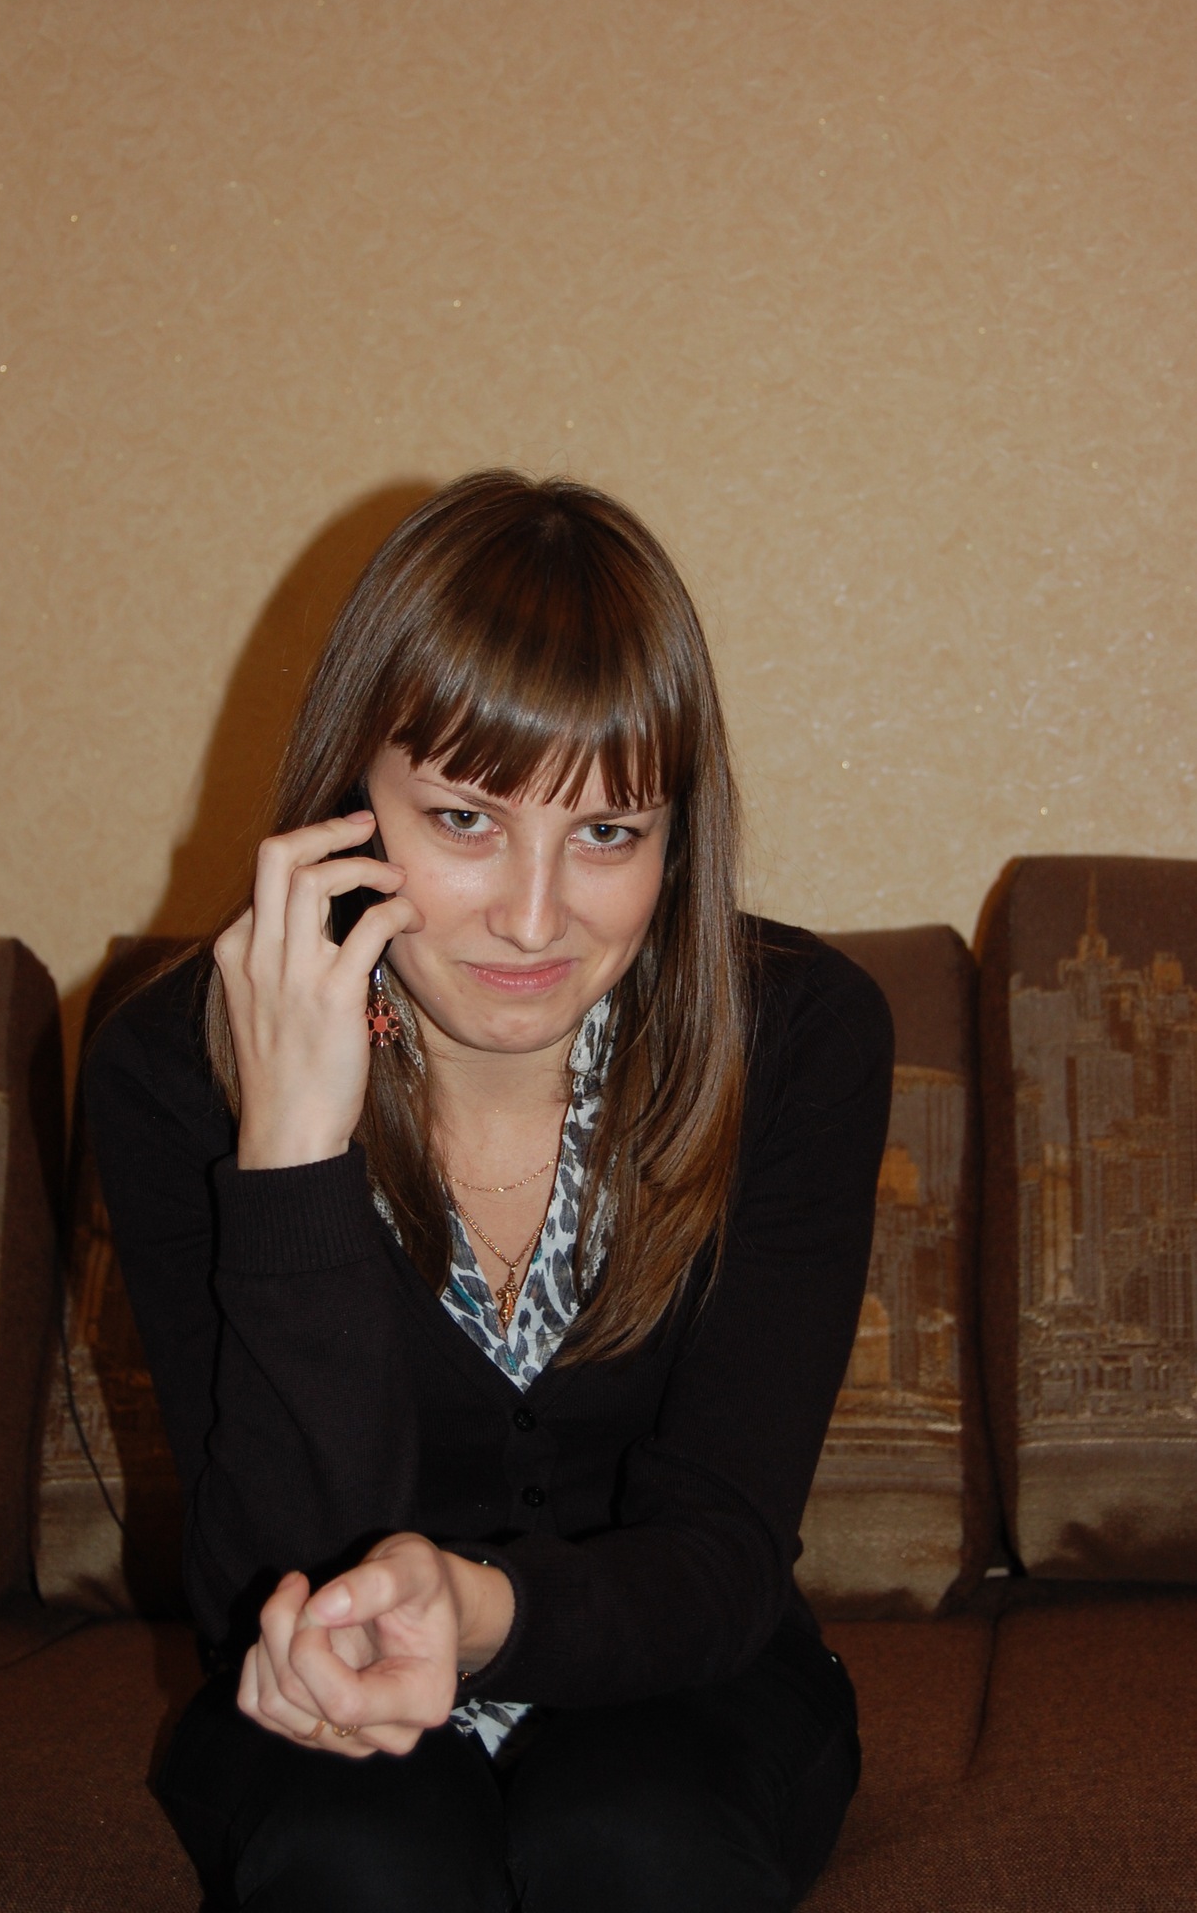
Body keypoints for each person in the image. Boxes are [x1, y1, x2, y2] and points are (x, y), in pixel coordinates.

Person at [85, 470, 894, 1912]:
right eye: (465, 818)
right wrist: (292, 1150)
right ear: (352, 803)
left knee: (632, 1835)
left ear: (679, 834)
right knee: (364, 1854)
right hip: (319, 1705)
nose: (532, 917)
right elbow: (259, 1584)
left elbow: (721, 1551)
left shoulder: (799, 1039)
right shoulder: (170, 1063)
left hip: (690, 1677)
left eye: (607, 833)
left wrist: (476, 1611)